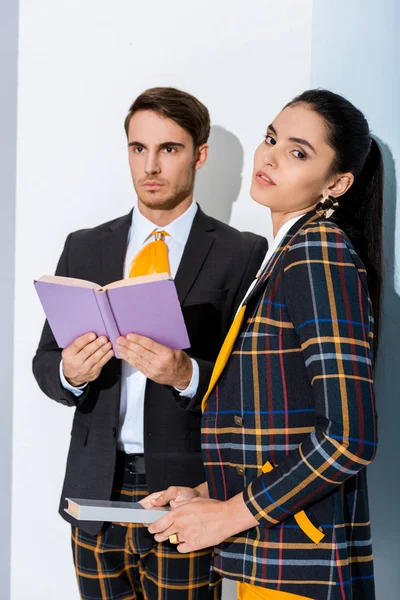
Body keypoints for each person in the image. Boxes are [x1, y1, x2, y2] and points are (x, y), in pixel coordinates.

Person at [32, 86, 268, 600]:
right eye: (139, 149)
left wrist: (188, 375)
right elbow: (45, 363)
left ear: (199, 155)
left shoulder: (243, 253)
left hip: (187, 491)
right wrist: (72, 372)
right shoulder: (85, 245)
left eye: (169, 149)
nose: (150, 166)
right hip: (94, 490)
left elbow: (255, 387)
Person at [147, 89, 382, 600]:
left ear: (338, 182)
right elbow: (279, 424)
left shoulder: (318, 253)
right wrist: (208, 496)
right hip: (271, 557)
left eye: (298, 152)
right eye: (271, 139)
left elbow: (350, 437)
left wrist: (230, 514)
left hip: (300, 564)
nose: (270, 156)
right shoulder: (283, 258)